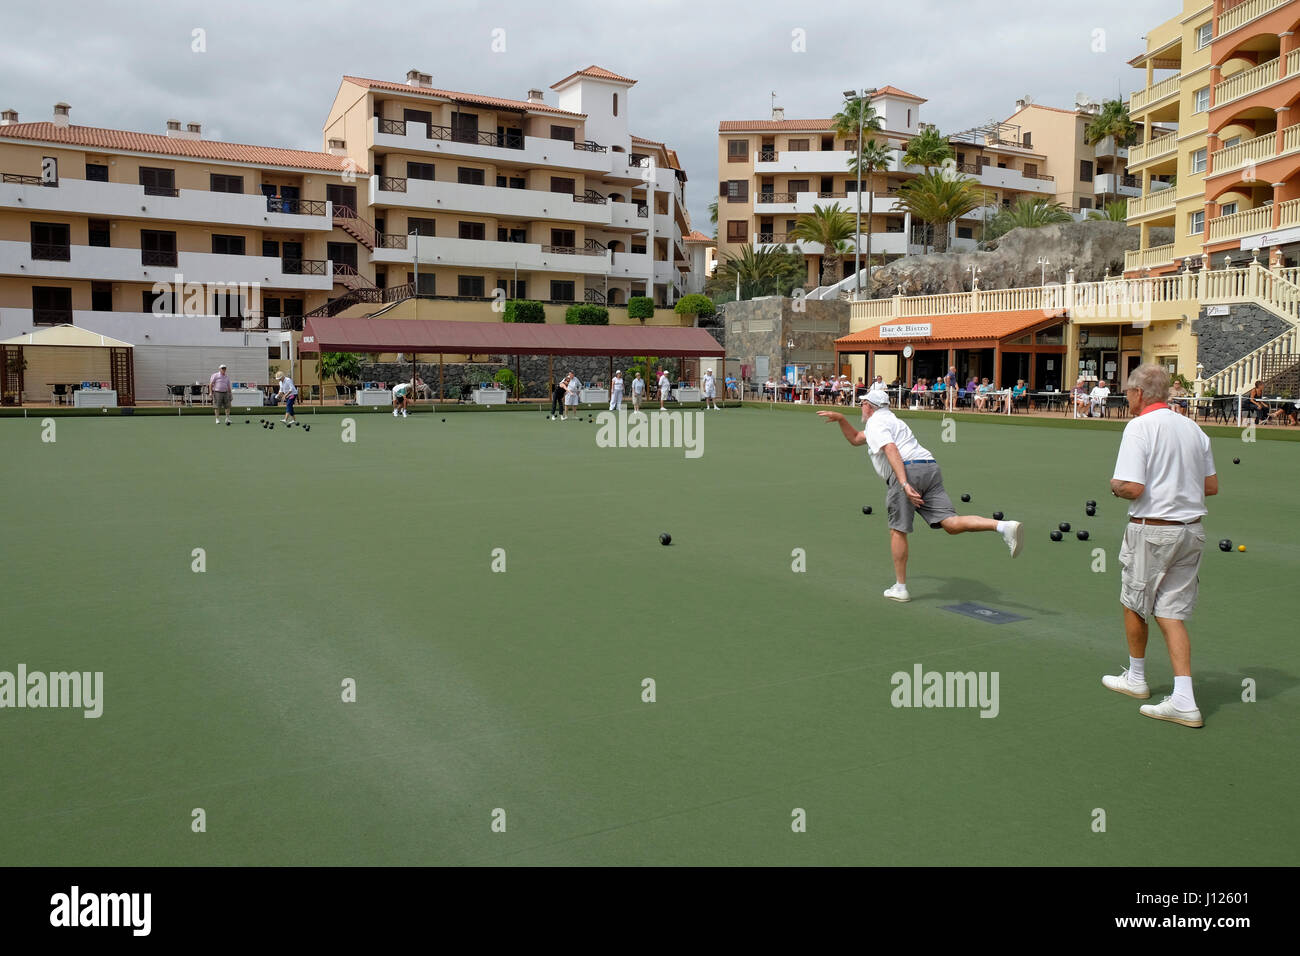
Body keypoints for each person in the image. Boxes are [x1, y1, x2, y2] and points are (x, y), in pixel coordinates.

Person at [819, 393, 1023, 602]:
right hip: (929, 467)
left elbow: (890, 448)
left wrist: (905, 483)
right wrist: (842, 419)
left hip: (908, 473)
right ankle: (1003, 526)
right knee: (951, 524)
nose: (861, 407)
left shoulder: (876, 423)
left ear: (870, 407)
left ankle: (900, 588)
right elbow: (855, 439)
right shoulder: (893, 421)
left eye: (862, 403)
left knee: (897, 530)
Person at [1104, 364, 1217, 729]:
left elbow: (1131, 487)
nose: (1127, 398)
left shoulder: (1139, 427)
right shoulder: (1193, 428)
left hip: (1153, 530)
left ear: (1138, 393)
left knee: (1134, 602)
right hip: (1191, 531)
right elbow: (1210, 486)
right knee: (1171, 611)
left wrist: (1114, 485)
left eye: (1128, 392)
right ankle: (1184, 698)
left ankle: (1137, 678)